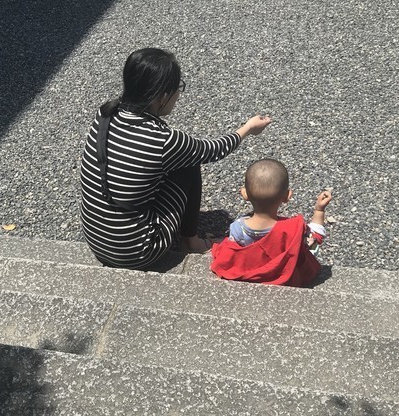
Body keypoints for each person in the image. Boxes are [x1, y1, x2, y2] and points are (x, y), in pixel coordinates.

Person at [80, 47, 271, 269]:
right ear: (162, 95)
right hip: (136, 252)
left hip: (97, 238)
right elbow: (212, 150)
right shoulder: (163, 139)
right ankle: (192, 241)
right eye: (177, 88)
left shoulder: (105, 114)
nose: (178, 95)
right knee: (189, 165)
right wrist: (247, 128)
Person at [210, 158, 333, 286]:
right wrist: (319, 210)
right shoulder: (292, 229)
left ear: (245, 194)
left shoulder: (237, 229)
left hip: (250, 272)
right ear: (287, 196)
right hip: (285, 277)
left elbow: (230, 255)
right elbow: (315, 238)